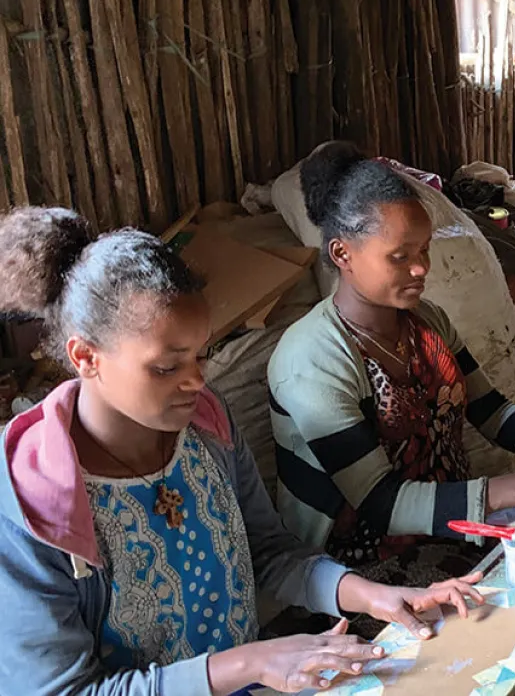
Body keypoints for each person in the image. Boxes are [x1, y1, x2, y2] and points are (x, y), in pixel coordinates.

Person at [0, 207, 483, 696]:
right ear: (86, 357)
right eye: (167, 367)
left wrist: (375, 598)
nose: (196, 380)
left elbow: (269, 552)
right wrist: (248, 662)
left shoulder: (206, 426)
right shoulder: (31, 498)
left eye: (201, 354)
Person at [269, 142, 515, 594]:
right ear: (342, 254)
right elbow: (380, 503)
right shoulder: (312, 358)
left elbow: (490, 410)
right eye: (400, 256)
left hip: (452, 528)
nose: (421, 269)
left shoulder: (428, 323)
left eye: (423, 251)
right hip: (359, 570)